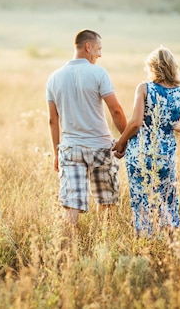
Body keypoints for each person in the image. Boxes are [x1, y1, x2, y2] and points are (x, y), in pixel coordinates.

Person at [46, 29, 127, 227]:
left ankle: (67, 251)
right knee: (107, 202)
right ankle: (106, 245)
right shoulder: (99, 73)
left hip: (70, 149)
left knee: (71, 205)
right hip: (100, 147)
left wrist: (57, 152)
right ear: (88, 47)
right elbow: (115, 110)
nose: (100, 55)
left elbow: (52, 120)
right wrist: (125, 139)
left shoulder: (54, 77)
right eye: (98, 49)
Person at [112, 46, 180, 236]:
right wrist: (174, 126)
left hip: (140, 155)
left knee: (142, 200)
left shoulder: (144, 88)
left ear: (153, 67)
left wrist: (121, 142)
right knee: (167, 200)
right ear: (172, 67)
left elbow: (135, 122)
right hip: (166, 157)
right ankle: (169, 240)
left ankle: (146, 241)